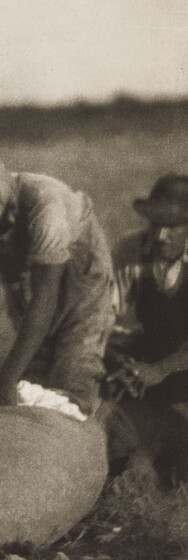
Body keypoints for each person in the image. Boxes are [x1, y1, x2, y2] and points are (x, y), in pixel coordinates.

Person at [0, 150, 114, 415]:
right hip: (26, 281)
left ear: (9, 207)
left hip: (84, 280)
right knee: (35, 381)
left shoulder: (45, 203)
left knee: (73, 374)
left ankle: (90, 441)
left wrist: (7, 380)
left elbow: (45, 297)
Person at [106, 173, 188, 481]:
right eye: (155, 224)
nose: (161, 235)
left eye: (172, 226)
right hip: (154, 347)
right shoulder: (130, 250)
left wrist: (160, 369)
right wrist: (118, 358)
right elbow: (103, 317)